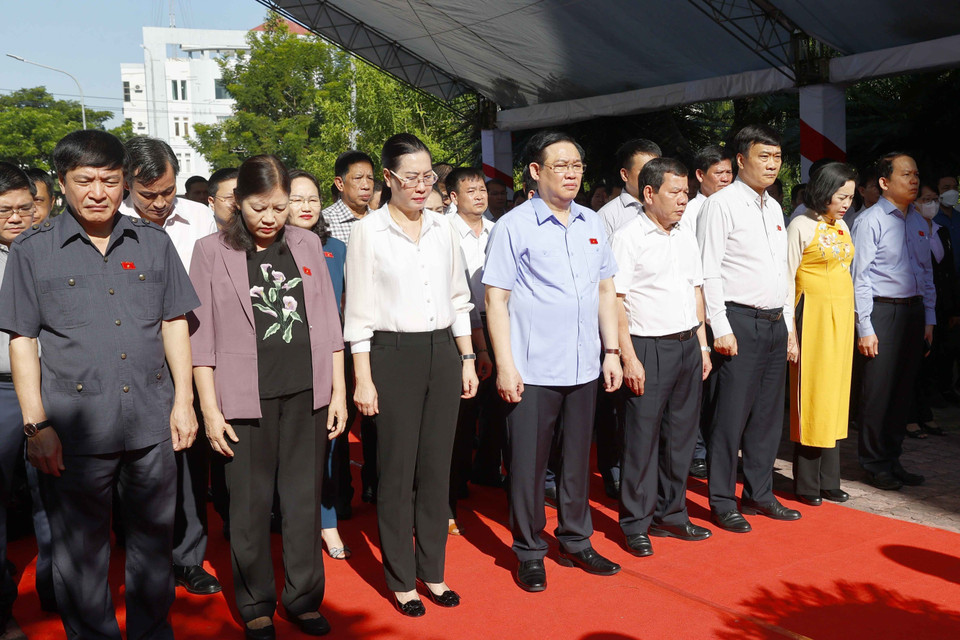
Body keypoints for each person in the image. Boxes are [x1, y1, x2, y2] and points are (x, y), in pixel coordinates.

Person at [0, 129, 200, 640]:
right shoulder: (32, 251)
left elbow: (175, 321)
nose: (97, 192)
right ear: (62, 183)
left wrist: (185, 402)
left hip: (152, 422)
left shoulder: (153, 243)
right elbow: (21, 340)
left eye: (109, 180)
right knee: (81, 557)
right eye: (84, 180)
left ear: (124, 182)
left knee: (154, 548)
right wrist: (35, 424)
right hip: (74, 429)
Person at [190, 155, 346, 639]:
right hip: (242, 400)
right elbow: (200, 338)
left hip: (307, 393)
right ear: (238, 202)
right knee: (249, 507)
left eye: (279, 207)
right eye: (260, 206)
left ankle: (302, 598)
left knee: (303, 502)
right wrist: (210, 409)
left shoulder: (305, 242)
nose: (270, 217)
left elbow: (330, 323)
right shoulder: (210, 250)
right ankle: (255, 601)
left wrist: (338, 390)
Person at [344, 133, 477, 617]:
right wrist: (364, 378)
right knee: (397, 472)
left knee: (437, 469)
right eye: (412, 178)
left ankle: (434, 571)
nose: (422, 186)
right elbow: (357, 314)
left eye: (429, 177)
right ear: (388, 178)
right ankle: (401, 579)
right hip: (391, 355)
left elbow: (459, 299)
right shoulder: (368, 232)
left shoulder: (445, 228)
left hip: (443, 352)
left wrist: (466, 359)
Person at [483, 130, 623, 592]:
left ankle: (576, 539)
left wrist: (612, 352)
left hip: (584, 366)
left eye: (577, 165)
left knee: (577, 461)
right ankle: (529, 550)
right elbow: (496, 299)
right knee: (527, 465)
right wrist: (505, 365)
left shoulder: (592, 223)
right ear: (536, 172)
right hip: (533, 368)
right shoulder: (513, 226)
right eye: (560, 165)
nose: (571, 173)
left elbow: (606, 292)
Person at [117, 136, 221, 597]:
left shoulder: (200, 219)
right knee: (135, 465)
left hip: (194, 355)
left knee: (189, 462)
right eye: (149, 195)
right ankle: (141, 553)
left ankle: (188, 556)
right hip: (132, 360)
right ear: (126, 186)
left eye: (168, 192)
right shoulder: (110, 224)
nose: (160, 203)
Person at [697, 124, 801, 534]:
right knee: (730, 416)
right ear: (741, 160)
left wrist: (790, 327)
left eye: (777, 157)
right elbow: (708, 271)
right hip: (738, 321)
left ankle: (759, 492)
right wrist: (720, 326)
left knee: (767, 416)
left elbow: (784, 272)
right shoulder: (720, 205)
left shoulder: (774, 207)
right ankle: (722, 499)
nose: (772, 164)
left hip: (775, 322)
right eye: (764, 156)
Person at [612, 158, 713, 558]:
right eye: (675, 192)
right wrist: (628, 358)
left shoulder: (685, 234)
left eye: (686, 192)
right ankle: (636, 522)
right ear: (649, 193)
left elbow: (697, 291)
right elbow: (615, 301)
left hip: (688, 344)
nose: (683, 200)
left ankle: (672, 513)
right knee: (641, 440)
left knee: (682, 437)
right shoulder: (628, 236)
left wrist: (703, 345)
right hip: (647, 347)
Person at [850, 152, 935, 491]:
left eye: (915, 174)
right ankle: (873, 462)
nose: (913, 180)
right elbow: (860, 278)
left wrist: (929, 318)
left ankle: (892, 457)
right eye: (905, 175)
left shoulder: (917, 220)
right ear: (884, 182)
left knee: (902, 389)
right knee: (879, 391)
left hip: (913, 312)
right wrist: (866, 327)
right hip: (882, 311)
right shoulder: (870, 221)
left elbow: (925, 272)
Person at [286, 168, 353, 559]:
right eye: (297, 199)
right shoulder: (268, 249)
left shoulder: (337, 250)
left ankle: (328, 523)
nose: (306, 206)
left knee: (328, 447)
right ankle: (294, 520)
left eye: (312, 198)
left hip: (328, 359)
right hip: (284, 361)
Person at [786, 163, 857, 506]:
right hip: (810, 315)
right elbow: (786, 278)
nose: (846, 204)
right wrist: (789, 332)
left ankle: (831, 479)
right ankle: (807, 483)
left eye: (850, 198)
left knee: (835, 394)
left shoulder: (842, 226)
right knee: (813, 393)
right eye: (841, 196)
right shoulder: (800, 225)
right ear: (824, 190)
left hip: (841, 319)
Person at [445, 167, 495, 534]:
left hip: (496, 325)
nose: (479, 195)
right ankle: (452, 487)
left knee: (496, 408)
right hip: (457, 331)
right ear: (452, 197)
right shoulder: (442, 232)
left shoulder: (498, 230)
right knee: (461, 416)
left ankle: (488, 471)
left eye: (482, 189)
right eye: (470, 190)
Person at [0, 162, 37, 636]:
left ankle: (58, 590)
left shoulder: (49, 251)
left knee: (58, 501)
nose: (15, 217)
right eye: (4, 210)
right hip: (1, 391)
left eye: (24, 208)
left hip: (57, 386)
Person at [684, 144, 734, 480]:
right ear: (700, 176)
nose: (727, 179)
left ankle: (719, 448)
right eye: (720, 174)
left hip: (730, 309)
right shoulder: (688, 211)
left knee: (723, 387)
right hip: (700, 309)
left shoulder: (735, 207)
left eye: (730, 173)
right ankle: (697, 450)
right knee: (701, 385)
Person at [598, 138, 661, 238]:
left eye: (655, 171)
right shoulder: (608, 215)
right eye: (644, 171)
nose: (651, 176)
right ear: (625, 174)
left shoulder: (668, 207)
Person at [322, 150, 375, 245]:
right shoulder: (324, 222)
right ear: (340, 184)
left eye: (370, 178)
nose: (366, 186)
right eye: (358, 178)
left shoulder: (381, 220)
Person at [684, 145, 733, 236]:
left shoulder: (737, 207)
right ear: (700, 175)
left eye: (729, 172)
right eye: (718, 173)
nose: (725, 179)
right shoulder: (689, 213)